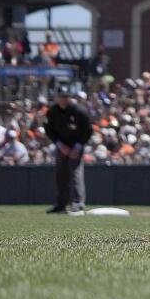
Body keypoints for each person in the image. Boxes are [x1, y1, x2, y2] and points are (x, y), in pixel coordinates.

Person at [43, 85, 92, 213]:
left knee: (75, 173)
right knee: (61, 175)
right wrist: (59, 144)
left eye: (66, 97)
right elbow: (49, 130)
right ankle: (61, 205)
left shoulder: (79, 111)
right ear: (57, 98)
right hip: (62, 146)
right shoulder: (52, 111)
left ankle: (78, 203)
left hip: (77, 145)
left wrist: (78, 146)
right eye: (62, 97)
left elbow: (87, 131)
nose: (64, 99)